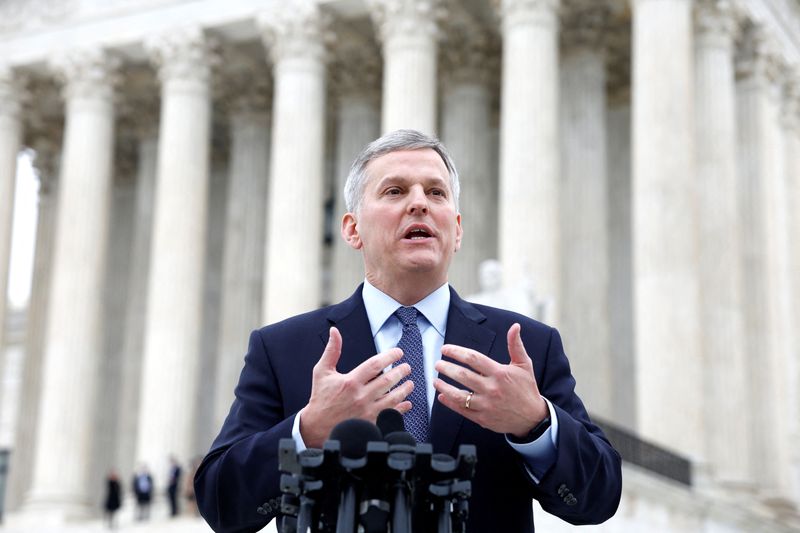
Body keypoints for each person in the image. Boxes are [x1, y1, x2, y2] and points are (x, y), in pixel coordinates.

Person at [194, 129, 622, 532]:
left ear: (457, 230)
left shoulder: (524, 347)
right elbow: (220, 503)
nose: (419, 203)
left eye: (435, 192)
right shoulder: (284, 349)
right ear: (352, 229)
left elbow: (599, 498)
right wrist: (308, 431)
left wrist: (535, 423)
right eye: (395, 191)